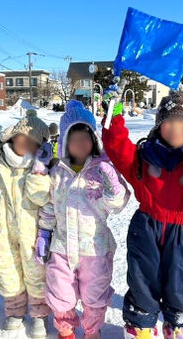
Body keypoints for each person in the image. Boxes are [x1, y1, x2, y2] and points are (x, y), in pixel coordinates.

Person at [102, 92, 183, 339]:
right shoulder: (144, 156)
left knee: (179, 288)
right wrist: (114, 114)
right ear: (159, 124)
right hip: (146, 228)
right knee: (142, 285)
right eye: (170, 122)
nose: (176, 129)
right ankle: (140, 329)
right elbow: (116, 146)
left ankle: (180, 328)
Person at [37, 101, 130, 339]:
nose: (80, 143)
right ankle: (66, 329)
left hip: (95, 248)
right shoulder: (58, 172)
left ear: (94, 140)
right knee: (61, 294)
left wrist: (114, 188)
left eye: (85, 137)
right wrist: (44, 234)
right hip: (62, 247)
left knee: (94, 296)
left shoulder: (102, 170)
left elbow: (117, 205)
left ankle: (92, 331)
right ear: (65, 141)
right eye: (74, 137)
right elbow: (49, 206)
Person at [0, 113, 52, 338]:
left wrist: (39, 171)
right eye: (22, 137)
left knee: (37, 273)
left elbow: (42, 198)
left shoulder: (42, 169)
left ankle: (39, 314)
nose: (25, 143)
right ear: (12, 137)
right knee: (7, 272)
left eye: (32, 141)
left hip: (33, 233)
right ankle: (15, 310)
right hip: (3, 233)